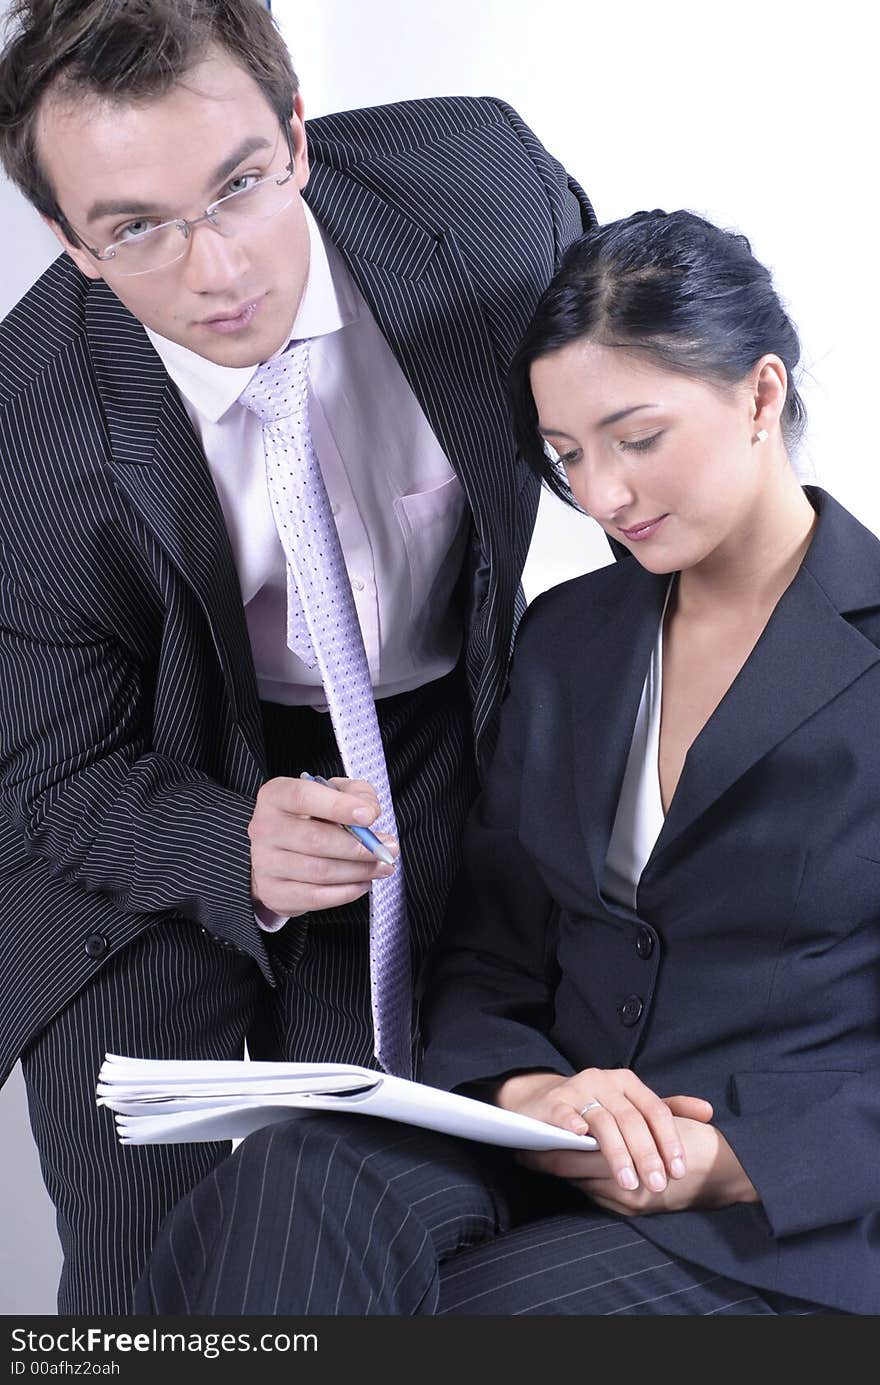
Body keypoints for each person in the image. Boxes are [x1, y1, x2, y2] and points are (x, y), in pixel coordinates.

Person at [137, 208, 878, 1317]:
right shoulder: (570, 633)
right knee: (288, 1185)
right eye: (567, 456)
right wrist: (531, 1089)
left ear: (760, 395)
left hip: (775, 1207)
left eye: (636, 437)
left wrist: (737, 1158)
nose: (603, 496)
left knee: (487, 1310)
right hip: (547, 1139)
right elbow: (493, 940)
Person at [0, 0, 595, 1314]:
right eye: (138, 227)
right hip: (155, 780)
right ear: (70, 241)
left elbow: (625, 398)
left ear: (298, 138)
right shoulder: (22, 435)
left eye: (239, 187)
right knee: (146, 1285)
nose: (217, 271)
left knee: (394, 1213)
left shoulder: (490, 197)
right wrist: (229, 845)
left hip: (431, 734)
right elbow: (52, 781)